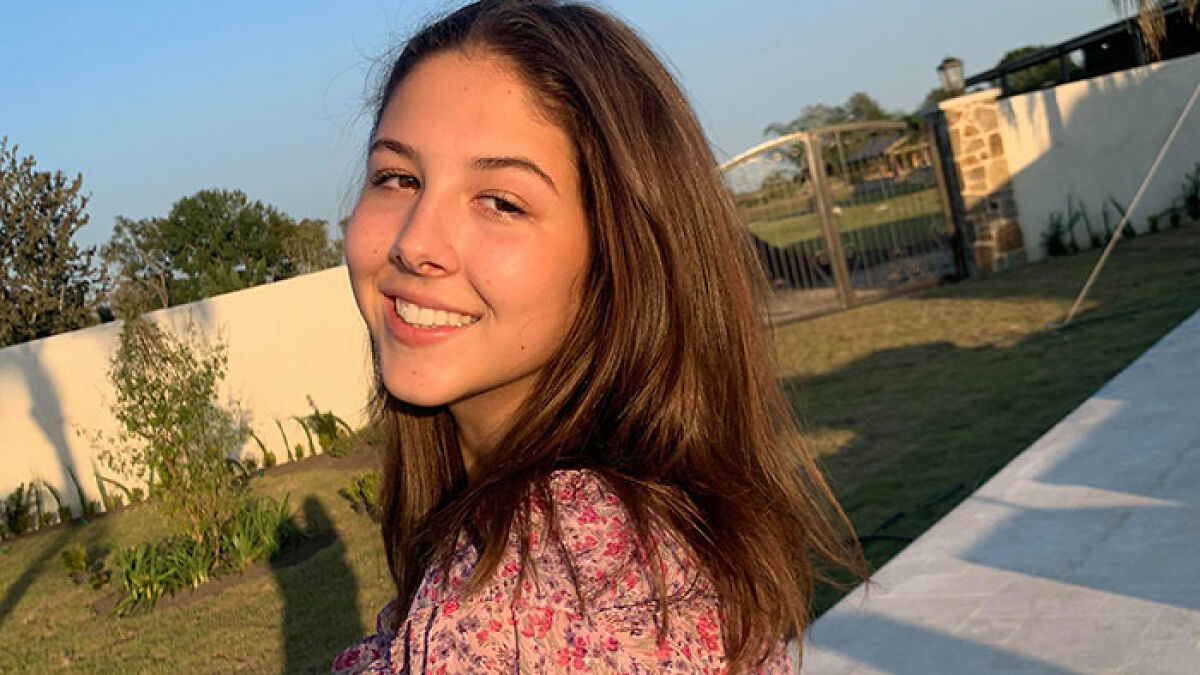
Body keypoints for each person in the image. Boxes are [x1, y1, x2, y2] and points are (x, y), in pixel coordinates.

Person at [334, 0, 867, 672]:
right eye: (397, 178)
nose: (415, 243)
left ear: (620, 255)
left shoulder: (541, 578)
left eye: (500, 200)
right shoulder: (633, 523)